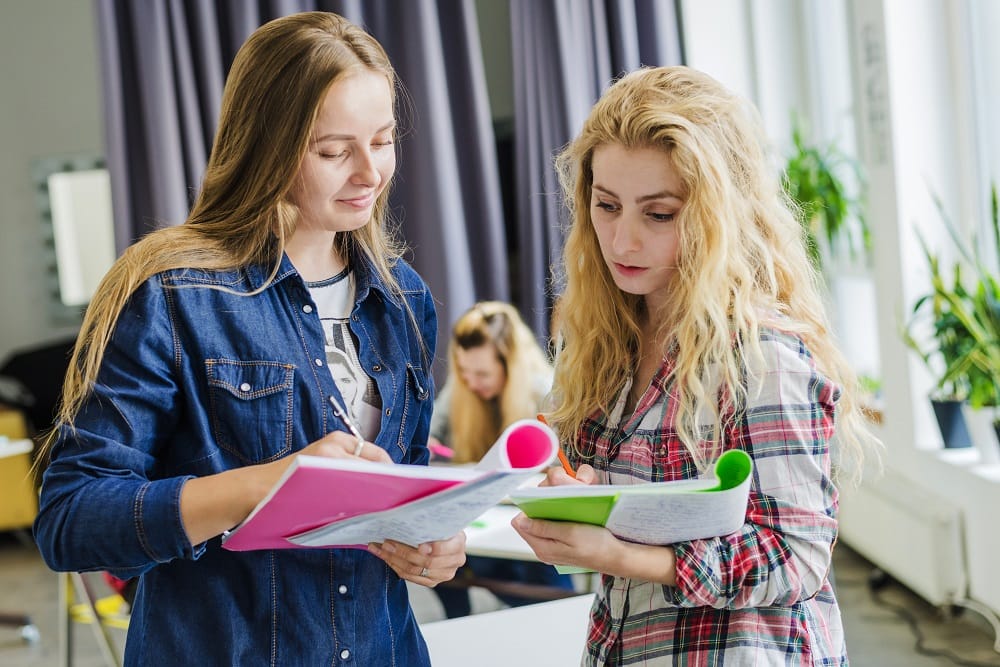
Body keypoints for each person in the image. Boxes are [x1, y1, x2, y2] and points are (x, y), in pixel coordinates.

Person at [32, 12, 464, 666]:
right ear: (267, 144)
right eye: (332, 150)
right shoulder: (169, 293)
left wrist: (431, 543)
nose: (369, 172)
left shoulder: (404, 298)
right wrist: (267, 485)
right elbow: (71, 520)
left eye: (382, 139)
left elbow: (399, 494)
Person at [511, 65, 879, 665]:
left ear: (718, 214)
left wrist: (620, 556)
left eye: (659, 214)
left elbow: (798, 557)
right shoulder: (604, 343)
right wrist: (572, 490)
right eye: (606, 206)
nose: (622, 241)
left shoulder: (763, 357)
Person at [428, 301, 574, 617]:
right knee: (437, 558)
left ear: (509, 364)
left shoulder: (544, 393)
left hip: (526, 524)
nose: (470, 382)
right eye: (463, 372)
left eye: (481, 373)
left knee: (549, 594)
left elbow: (563, 469)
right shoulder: (462, 388)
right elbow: (430, 435)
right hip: (485, 522)